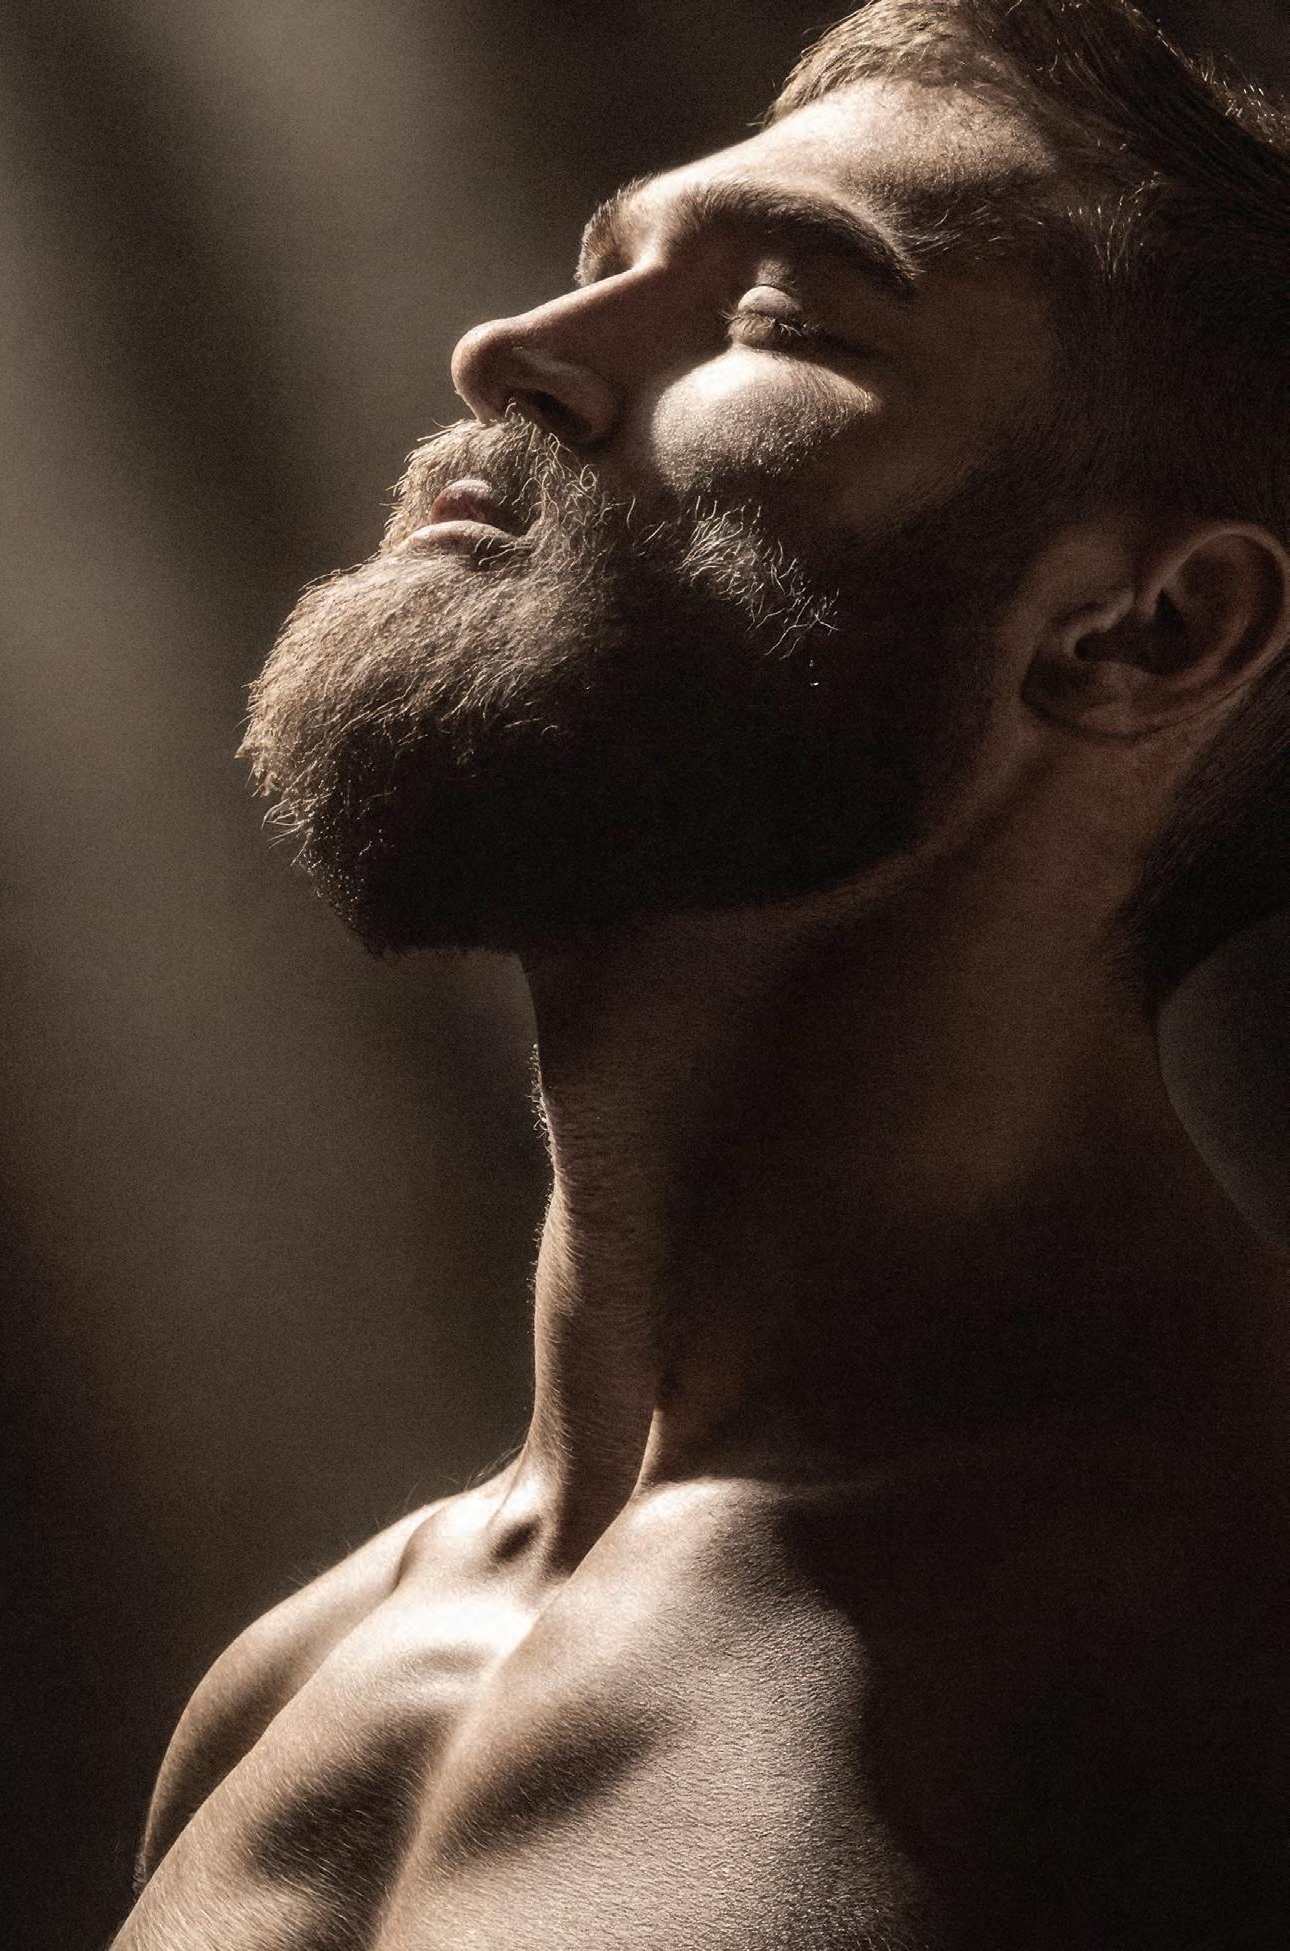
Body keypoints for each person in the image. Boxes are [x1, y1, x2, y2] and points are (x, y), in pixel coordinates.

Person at [115, 2, 1290, 1944]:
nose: (509, 351)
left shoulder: (1225, 1657)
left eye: (775, 316)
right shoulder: (303, 1678)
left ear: (1144, 633)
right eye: (601, 260)